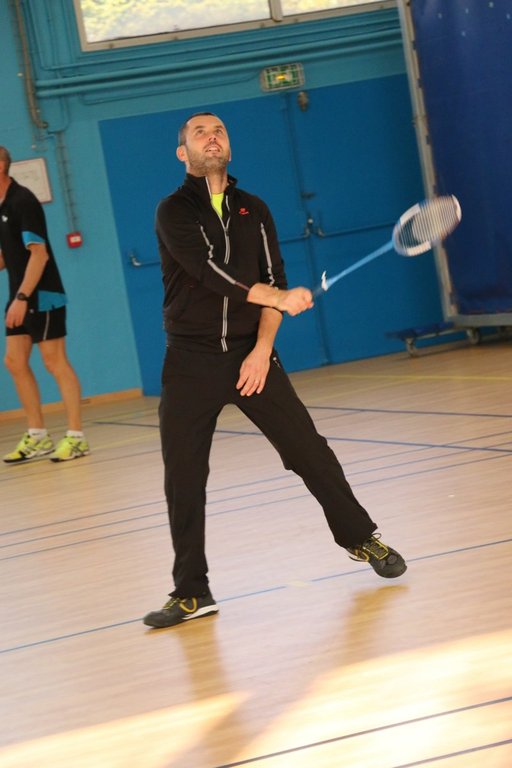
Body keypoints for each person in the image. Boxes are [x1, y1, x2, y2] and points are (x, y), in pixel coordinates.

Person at [143, 113, 406, 629]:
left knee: (309, 450)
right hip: (191, 360)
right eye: (200, 133)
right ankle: (192, 592)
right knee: (184, 476)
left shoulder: (254, 209)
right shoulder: (173, 211)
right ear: (182, 153)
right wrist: (277, 297)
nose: (212, 137)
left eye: (219, 130)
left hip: (250, 354)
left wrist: (263, 349)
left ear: (229, 146)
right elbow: (208, 272)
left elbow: (272, 280)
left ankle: (360, 537)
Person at [0, 146, 89, 463]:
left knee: (54, 362)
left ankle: (76, 438)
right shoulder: (2, 205)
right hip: (19, 295)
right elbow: (7, 256)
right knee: (14, 361)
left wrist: (23, 298)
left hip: (41, 294)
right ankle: (37, 436)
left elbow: (39, 255)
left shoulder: (22, 201)